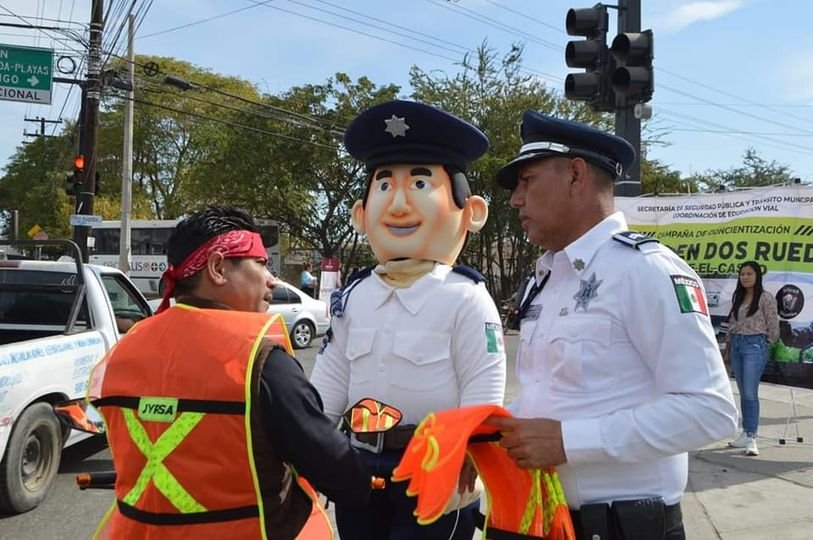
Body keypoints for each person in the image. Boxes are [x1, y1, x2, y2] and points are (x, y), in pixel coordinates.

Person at [486, 111, 738, 540]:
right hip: (541, 518)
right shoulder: (546, 277)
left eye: (527, 181)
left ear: (575, 176)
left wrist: (569, 442)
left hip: (621, 527)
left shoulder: (646, 270)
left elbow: (710, 411)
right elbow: (549, 391)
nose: (516, 199)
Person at [87, 206, 372, 539]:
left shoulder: (121, 353)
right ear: (218, 268)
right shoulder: (260, 362)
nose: (272, 279)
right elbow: (340, 474)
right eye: (261, 263)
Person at [310, 100, 506, 540]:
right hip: (356, 462)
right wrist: (310, 448)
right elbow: (330, 381)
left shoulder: (465, 297)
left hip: (436, 465)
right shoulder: (354, 296)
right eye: (384, 185)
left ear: (471, 211)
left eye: (420, 183)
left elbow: (484, 386)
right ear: (361, 214)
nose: (398, 204)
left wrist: (469, 454)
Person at [724, 261, 780, 456]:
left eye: (749, 274)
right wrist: (728, 347)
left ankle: (752, 437)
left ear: (757, 276)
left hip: (754, 345)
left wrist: (766, 343)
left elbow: (773, 324)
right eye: (742, 274)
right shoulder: (738, 296)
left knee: (750, 393)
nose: (745, 277)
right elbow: (732, 323)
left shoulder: (765, 297)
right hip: (737, 345)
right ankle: (745, 433)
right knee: (742, 392)